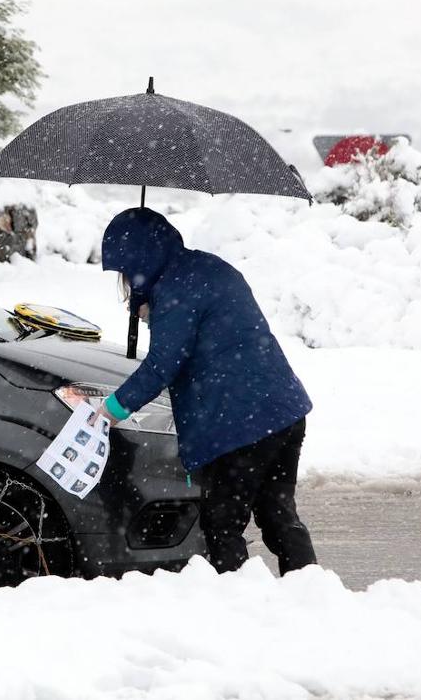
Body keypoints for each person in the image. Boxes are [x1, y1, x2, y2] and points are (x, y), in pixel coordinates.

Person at [95, 207, 317, 575]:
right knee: (279, 515)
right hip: (284, 410)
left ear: (139, 262)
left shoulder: (174, 290)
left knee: (222, 523)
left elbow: (164, 364)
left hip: (242, 425)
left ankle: (238, 604)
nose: (123, 280)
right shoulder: (207, 268)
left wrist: (113, 408)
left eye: (124, 271)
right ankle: (311, 593)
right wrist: (151, 308)